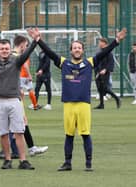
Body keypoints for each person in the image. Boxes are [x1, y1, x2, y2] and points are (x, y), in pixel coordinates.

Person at [31, 27, 127, 171]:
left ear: (82, 50)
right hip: (69, 105)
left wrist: (117, 41)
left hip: (83, 105)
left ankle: (88, 164)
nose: (77, 50)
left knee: (85, 134)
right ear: (71, 51)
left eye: (79, 48)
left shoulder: (89, 63)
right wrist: (38, 40)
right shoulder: (64, 63)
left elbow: (105, 53)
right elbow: (50, 53)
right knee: (69, 135)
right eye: (74, 48)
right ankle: (67, 163)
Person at [0, 30, 40, 170]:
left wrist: (36, 40)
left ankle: (23, 160)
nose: (4, 51)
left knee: (19, 131)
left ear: (10, 49)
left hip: (14, 100)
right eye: (2, 49)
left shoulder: (16, 61)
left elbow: (27, 53)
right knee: (3, 133)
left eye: (7, 48)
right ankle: (7, 160)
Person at [15, 37, 41, 110]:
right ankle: (34, 105)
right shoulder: (23, 55)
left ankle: (32, 105)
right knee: (28, 90)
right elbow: (25, 65)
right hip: (23, 75)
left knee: (22, 91)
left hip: (21, 75)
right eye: (26, 45)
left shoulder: (19, 54)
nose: (26, 47)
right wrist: (29, 75)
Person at [94, 38, 120, 109]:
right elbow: (96, 62)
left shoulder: (108, 52)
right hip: (98, 72)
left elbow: (111, 62)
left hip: (105, 73)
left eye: (100, 42)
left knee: (105, 88)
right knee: (100, 89)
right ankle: (101, 104)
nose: (99, 43)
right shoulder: (99, 52)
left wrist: (105, 69)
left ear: (104, 43)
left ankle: (117, 98)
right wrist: (96, 71)